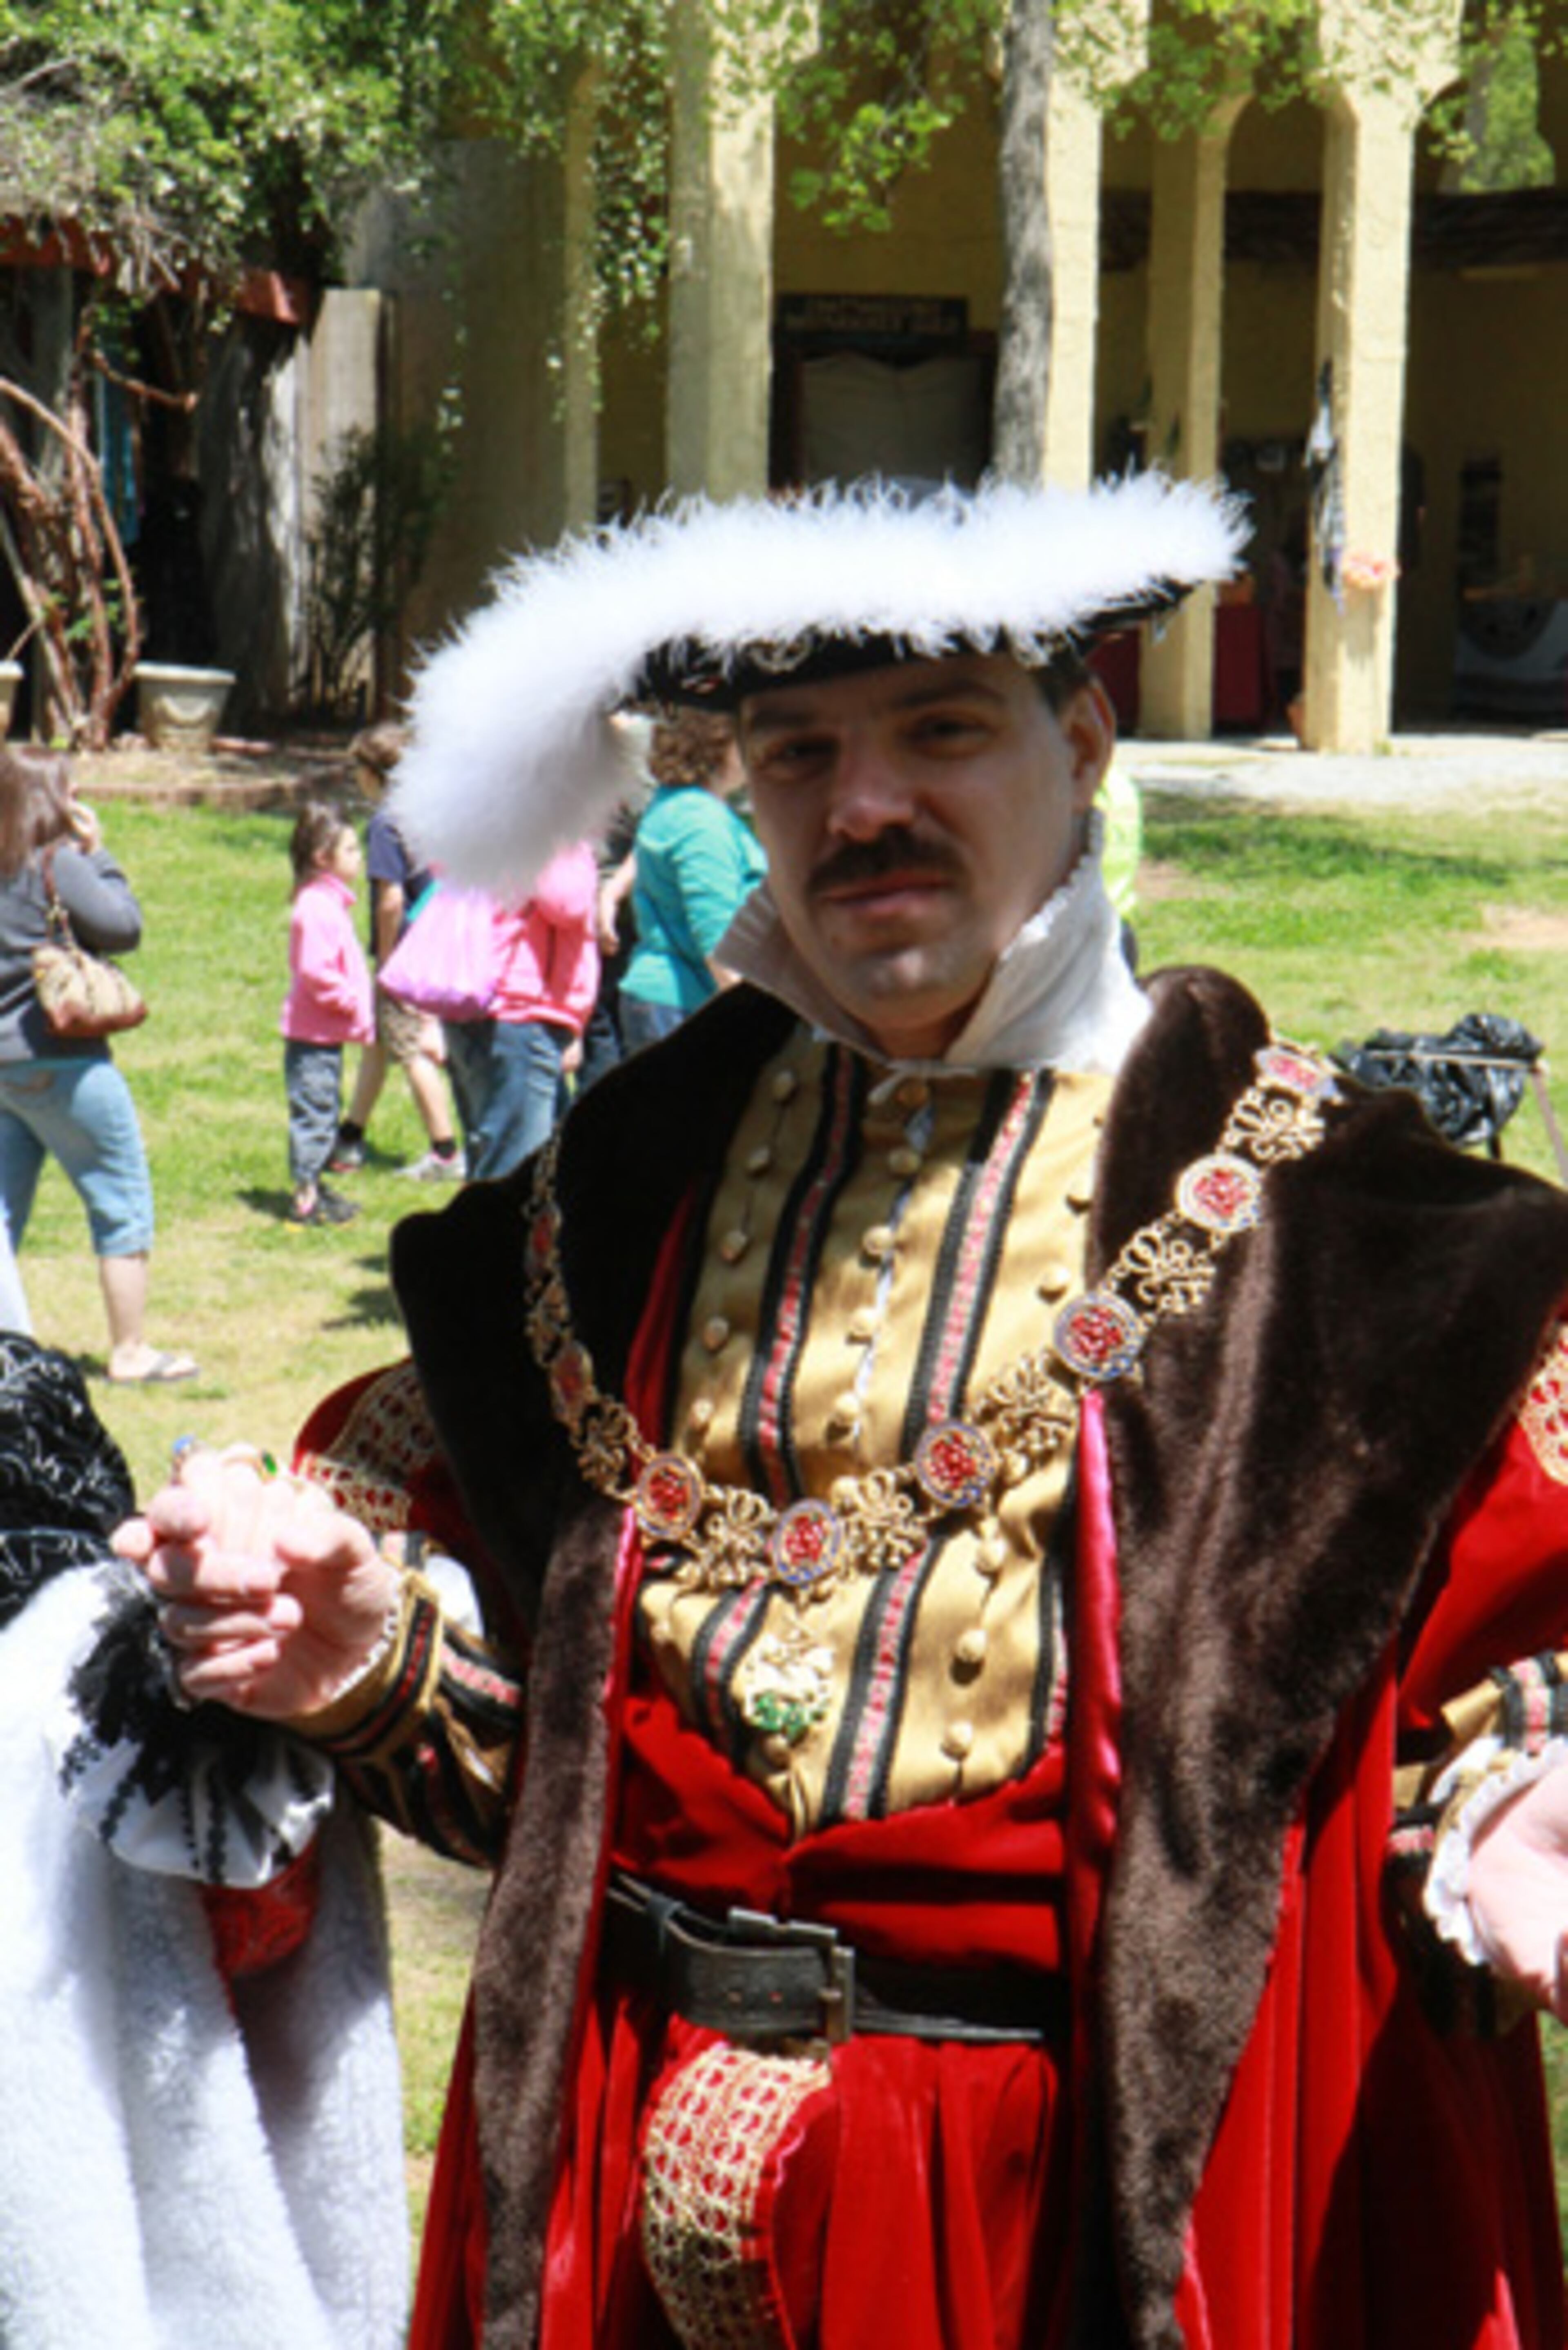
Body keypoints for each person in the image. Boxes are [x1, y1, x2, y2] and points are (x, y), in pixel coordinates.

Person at [124, 476, 1568, 2350]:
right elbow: (551, 1761)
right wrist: (359, 1658)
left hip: (1061, 2230)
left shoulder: (1351, 1249)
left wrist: (1512, 1801)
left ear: (1082, 742)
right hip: (625, 2199)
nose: (864, 807)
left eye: (942, 734)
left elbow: (1489, 1678)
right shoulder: (612, 1208)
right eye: (798, 755)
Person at [0, 744, 193, 1382]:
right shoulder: (56, 861)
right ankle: (132, 1351)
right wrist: (97, 855)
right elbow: (124, 926)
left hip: (4, 1067)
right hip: (68, 1062)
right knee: (121, 1198)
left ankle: (11, 1348)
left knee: (1, 1210)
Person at [332, 722, 464, 1184]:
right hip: (438, 945)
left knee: (412, 1051)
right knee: (380, 1041)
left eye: (359, 770)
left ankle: (445, 1151)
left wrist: (388, 964)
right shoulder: (431, 815)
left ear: (375, 774)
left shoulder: (386, 825)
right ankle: (351, 1134)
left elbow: (390, 901)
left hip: (406, 957)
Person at [442, 840, 599, 1182]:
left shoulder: (487, 811)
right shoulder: (549, 825)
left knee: (495, 1156)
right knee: (514, 1176)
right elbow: (568, 902)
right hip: (519, 1015)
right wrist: (574, 842)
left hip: (481, 1008)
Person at [617, 708, 767, 1052]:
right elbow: (718, 936)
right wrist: (758, 1018)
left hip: (668, 1004)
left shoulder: (673, 805)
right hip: (683, 1008)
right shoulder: (700, 820)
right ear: (717, 746)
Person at [281, 800, 374, 1227]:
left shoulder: (330, 904)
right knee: (315, 1112)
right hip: (312, 1036)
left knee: (325, 1106)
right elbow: (316, 971)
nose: (360, 857)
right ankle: (305, 1196)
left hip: (325, 1035)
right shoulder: (316, 908)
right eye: (351, 850)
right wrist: (350, 999)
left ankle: (316, 1185)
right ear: (323, 858)